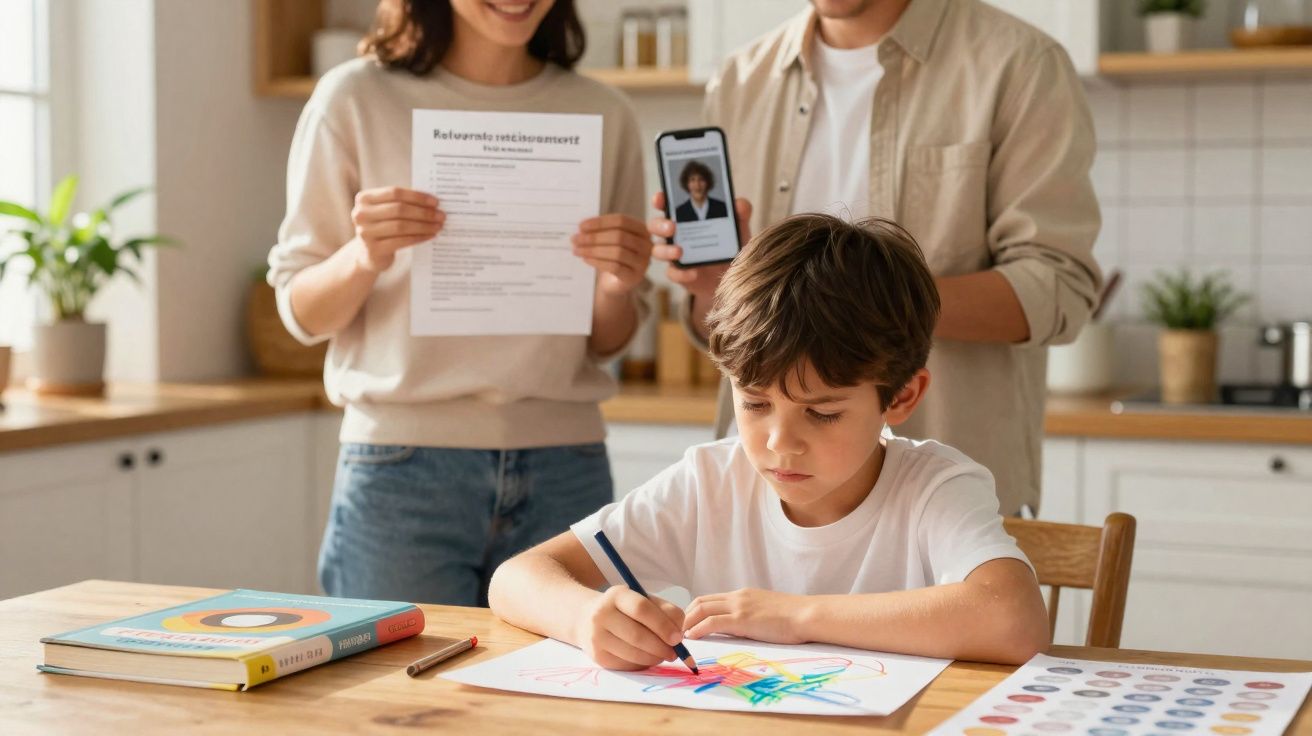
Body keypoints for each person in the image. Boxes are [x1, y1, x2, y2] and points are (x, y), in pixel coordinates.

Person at [489, 214, 1050, 668]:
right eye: (755, 404)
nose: (781, 443)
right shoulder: (710, 481)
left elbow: (1014, 620)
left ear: (901, 396)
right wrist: (586, 618)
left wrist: (796, 617)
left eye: (823, 413)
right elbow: (515, 579)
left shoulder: (934, 487)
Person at [266, 0, 653, 606]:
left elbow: (608, 341)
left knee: (567, 696)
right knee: (391, 695)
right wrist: (365, 254)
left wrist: (616, 286)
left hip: (565, 462)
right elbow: (302, 313)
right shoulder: (353, 99)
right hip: (401, 469)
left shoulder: (605, 113)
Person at [649, 0, 1102, 516]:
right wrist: (719, 290)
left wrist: (854, 302)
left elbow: (1057, 288)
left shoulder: (1019, 64)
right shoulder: (742, 79)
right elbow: (729, 329)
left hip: (942, 500)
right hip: (767, 499)